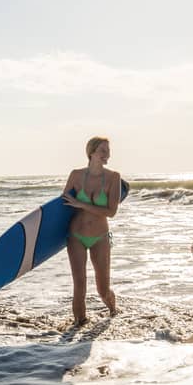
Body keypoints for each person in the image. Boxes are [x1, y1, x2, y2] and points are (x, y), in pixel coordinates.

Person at [62, 136, 122, 326]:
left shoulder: (114, 177)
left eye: (108, 150)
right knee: (79, 286)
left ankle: (114, 312)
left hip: (100, 238)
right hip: (76, 236)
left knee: (103, 289)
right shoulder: (76, 175)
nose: (108, 154)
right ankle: (78, 326)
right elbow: (62, 206)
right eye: (103, 150)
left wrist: (82, 204)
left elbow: (111, 212)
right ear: (92, 152)